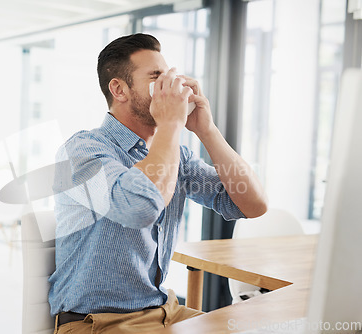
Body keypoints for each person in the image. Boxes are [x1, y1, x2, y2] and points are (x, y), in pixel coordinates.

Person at [48, 33, 268, 334]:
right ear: (119, 89)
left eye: (169, 78)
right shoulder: (82, 150)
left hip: (164, 311)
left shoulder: (174, 154)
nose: (170, 89)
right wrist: (170, 124)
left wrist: (207, 129)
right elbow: (140, 207)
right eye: (156, 78)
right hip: (98, 323)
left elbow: (252, 203)